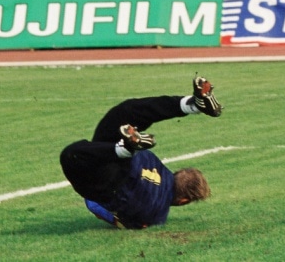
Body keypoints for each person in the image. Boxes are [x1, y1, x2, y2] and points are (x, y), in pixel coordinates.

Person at [59, 77, 221, 229]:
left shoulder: (155, 163)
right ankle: (124, 149)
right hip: (110, 182)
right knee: (72, 155)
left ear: (177, 174)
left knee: (127, 111)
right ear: (183, 201)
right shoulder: (156, 216)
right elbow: (95, 206)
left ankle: (188, 105)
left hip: (113, 156)